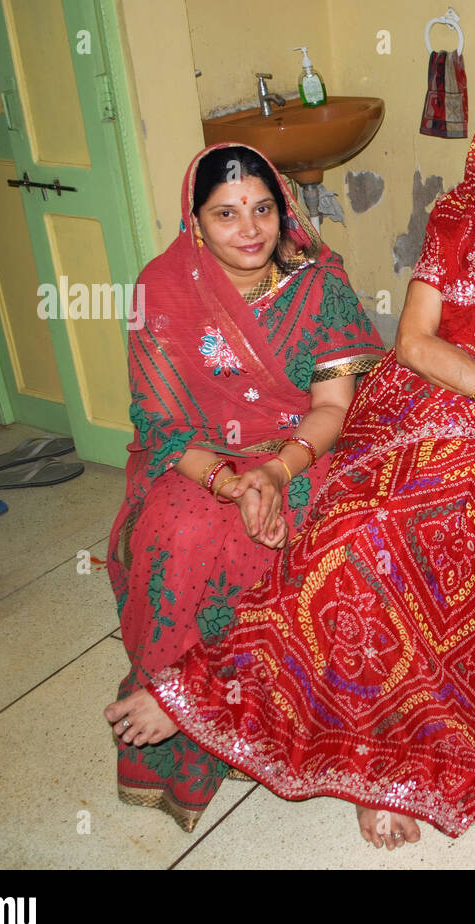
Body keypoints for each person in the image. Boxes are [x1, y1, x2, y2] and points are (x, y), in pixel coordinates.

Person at [108, 78, 475, 847]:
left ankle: (376, 755)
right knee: (359, 521)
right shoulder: (457, 218)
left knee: (428, 533)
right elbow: (415, 344)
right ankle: (235, 701)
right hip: (418, 403)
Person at [103, 143, 384, 831]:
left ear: (282, 210)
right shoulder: (162, 289)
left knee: (326, 546)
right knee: (179, 533)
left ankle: (267, 720)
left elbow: (332, 408)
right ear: (194, 221)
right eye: (225, 214)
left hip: (301, 449)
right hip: (198, 459)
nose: (250, 229)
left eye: (261, 209)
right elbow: (165, 427)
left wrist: (273, 472)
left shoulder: (319, 287)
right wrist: (230, 482)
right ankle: (182, 703)